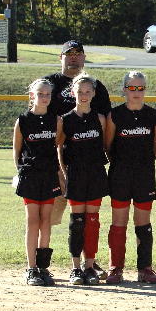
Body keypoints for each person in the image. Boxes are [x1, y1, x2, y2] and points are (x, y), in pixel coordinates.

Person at [45, 40, 111, 279]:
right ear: (61, 57)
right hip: (57, 164)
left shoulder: (96, 86)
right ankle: (40, 265)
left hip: (89, 166)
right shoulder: (49, 83)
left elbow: (106, 126)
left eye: (78, 53)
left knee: (88, 218)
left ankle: (88, 263)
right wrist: (58, 169)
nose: (73, 57)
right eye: (68, 53)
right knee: (48, 218)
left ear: (84, 57)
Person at [104, 71, 156, 284]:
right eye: (132, 88)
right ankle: (116, 267)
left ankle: (145, 268)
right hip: (120, 175)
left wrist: (142, 162)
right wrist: (122, 163)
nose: (136, 92)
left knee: (143, 223)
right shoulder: (115, 114)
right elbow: (108, 145)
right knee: (119, 222)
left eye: (140, 88)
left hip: (144, 175)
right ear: (124, 89)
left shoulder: (153, 115)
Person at [56, 73, 109, 285]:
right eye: (80, 91)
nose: (84, 95)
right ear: (73, 93)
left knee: (92, 222)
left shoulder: (101, 119)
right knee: (77, 222)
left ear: (94, 93)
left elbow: (106, 146)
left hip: (95, 174)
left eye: (88, 91)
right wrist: (64, 174)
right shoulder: (65, 120)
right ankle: (76, 268)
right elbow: (59, 148)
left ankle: (90, 266)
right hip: (76, 174)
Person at [13, 78, 62, 286]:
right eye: (40, 94)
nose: (44, 97)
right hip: (30, 175)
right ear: (32, 95)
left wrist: (60, 174)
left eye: (47, 94)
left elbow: (57, 146)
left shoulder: (56, 120)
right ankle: (31, 268)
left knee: (46, 220)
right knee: (33, 221)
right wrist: (20, 174)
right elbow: (17, 151)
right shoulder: (23, 120)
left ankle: (43, 267)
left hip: (49, 175)